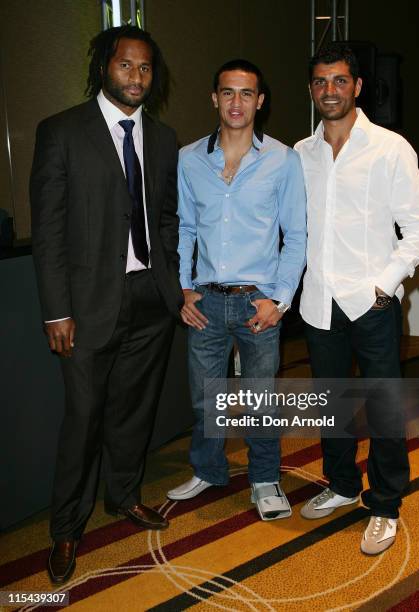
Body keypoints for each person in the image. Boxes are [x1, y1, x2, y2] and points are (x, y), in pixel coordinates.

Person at [30, 25, 183, 585]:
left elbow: (165, 217)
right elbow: (48, 232)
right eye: (126, 66)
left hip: (149, 299)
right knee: (83, 420)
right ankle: (66, 527)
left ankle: (123, 496)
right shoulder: (62, 132)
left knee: (134, 411)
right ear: (104, 68)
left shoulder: (163, 139)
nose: (137, 77)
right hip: (87, 306)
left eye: (145, 68)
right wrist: (55, 311)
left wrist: (171, 280)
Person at [294, 44, 419, 554]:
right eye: (319, 82)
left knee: (383, 409)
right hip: (318, 302)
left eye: (338, 81)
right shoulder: (299, 154)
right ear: (311, 90)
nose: (328, 90)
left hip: (371, 302)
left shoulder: (390, 147)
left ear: (357, 86)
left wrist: (384, 284)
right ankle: (341, 485)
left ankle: (385, 505)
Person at [167, 59, 307, 520]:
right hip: (205, 299)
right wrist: (184, 289)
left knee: (260, 398)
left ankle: (264, 478)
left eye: (247, 93)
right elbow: (185, 228)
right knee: (204, 395)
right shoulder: (189, 158)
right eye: (228, 92)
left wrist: (280, 300)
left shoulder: (283, 160)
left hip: (257, 302)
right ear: (214, 98)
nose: (237, 102)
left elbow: (297, 236)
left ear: (260, 101)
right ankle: (208, 470)